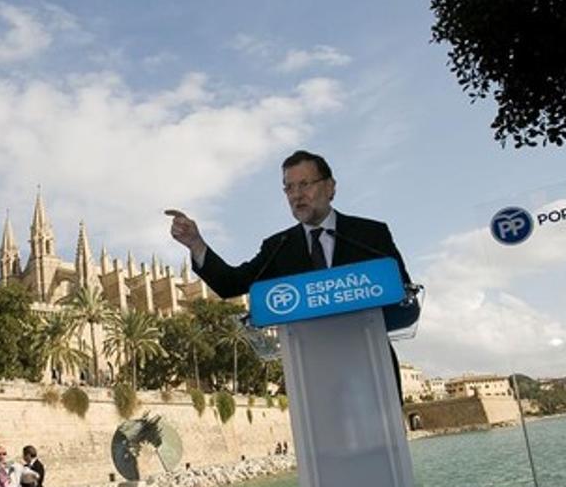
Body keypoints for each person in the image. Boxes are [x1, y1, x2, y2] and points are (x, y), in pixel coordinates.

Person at [168, 149, 415, 390]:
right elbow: (230, 284)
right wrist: (196, 243)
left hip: (373, 368)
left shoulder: (370, 235)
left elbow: (405, 296)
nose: (296, 195)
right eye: (289, 188)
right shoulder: (279, 247)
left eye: (305, 184)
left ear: (330, 187)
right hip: (312, 379)